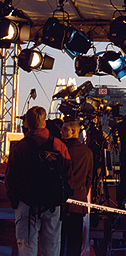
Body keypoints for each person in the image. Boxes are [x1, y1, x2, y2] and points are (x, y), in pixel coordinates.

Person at [5, 105, 72, 256]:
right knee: (52, 247)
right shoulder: (58, 145)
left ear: (27, 123)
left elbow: (11, 177)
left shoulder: (20, 147)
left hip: (27, 204)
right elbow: (68, 174)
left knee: (27, 247)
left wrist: (16, 201)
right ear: (44, 123)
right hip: (52, 204)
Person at [61, 120, 94, 256]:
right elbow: (89, 178)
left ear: (73, 131)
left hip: (62, 202)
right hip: (79, 202)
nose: (61, 131)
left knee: (59, 241)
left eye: (64, 129)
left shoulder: (62, 149)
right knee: (75, 242)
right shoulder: (87, 152)